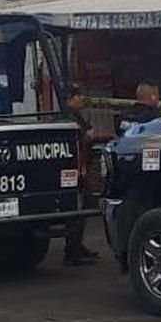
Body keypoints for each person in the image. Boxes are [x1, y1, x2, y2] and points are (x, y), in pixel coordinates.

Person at [63, 83, 100, 266]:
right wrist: (88, 137)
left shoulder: (73, 116)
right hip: (75, 170)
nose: (82, 99)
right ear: (70, 99)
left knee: (83, 208)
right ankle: (72, 252)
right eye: (78, 96)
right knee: (78, 210)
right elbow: (77, 143)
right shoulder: (69, 118)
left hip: (78, 169)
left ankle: (78, 246)